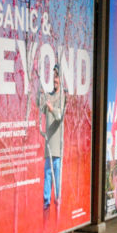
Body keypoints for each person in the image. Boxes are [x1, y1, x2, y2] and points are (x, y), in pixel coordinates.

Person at [39, 63, 66, 210]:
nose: (55, 79)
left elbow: (60, 115)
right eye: (54, 76)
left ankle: (57, 203)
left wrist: (52, 109)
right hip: (49, 146)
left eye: (57, 76)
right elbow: (41, 107)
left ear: (61, 79)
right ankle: (46, 203)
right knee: (47, 175)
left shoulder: (62, 97)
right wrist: (40, 94)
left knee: (57, 176)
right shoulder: (48, 96)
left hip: (57, 148)